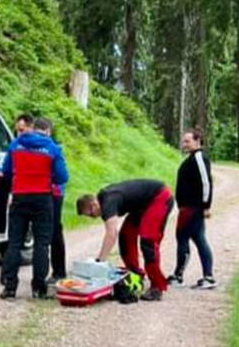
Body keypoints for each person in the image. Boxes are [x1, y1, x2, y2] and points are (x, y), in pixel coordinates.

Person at [0, 116, 69, 300]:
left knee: (14, 243)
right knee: (41, 245)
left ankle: (10, 288)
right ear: (47, 131)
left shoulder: (15, 145)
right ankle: (38, 289)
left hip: (20, 198)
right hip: (42, 199)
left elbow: (6, 172)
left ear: (32, 128)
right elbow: (62, 177)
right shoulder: (53, 148)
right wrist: (46, 178)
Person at [76, 179, 175, 301]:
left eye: (91, 214)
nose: (93, 218)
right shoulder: (105, 199)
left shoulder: (108, 201)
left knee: (148, 240)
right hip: (142, 205)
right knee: (126, 237)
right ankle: (135, 273)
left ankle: (157, 286)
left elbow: (111, 234)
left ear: (94, 204)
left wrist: (100, 262)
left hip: (160, 197)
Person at [167, 128, 216, 289]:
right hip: (187, 208)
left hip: (193, 208)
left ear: (197, 141)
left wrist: (206, 206)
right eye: (184, 141)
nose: (184, 144)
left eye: (187, 141)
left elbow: (206, 183)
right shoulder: (192, 158)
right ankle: (207, 276)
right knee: (199, 240)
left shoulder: (200, 158)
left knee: (182, 238)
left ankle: (179, 275)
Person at [35, 119, 67, 282]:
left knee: (53, 230)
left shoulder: (54, 148)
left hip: (53, 192)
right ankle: (55, 271)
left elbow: (61, 176)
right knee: (52, 231)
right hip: (51, 192)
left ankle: (58, 271)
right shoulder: (54, 147)